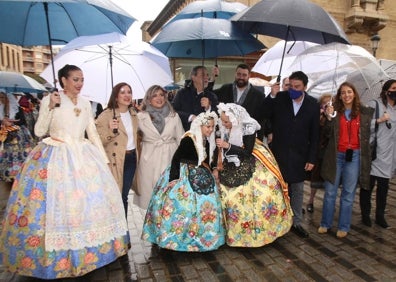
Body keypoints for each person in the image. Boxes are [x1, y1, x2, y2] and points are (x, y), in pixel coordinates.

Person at [0, 64, 129, 279]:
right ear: (63, 80)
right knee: (58, 204)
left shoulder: (87, 103)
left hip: (84, 155)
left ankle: (89, 253)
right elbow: (39, 131)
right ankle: (58, 255)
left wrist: (103, 160)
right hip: (56, 156)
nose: (79, 84)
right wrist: (50, 107)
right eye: (75, 79)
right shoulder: (50, 100)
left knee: (87, 204)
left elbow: (92, 132)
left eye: (81, 80)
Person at [141, 111, 225, 252]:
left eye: (212, 127)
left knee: (205, 205)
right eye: (207, 127)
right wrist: (174, 178)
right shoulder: (189, 138)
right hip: (183, 173)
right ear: (200, 126)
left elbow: (203, 160)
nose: (210, 130)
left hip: (199, 173)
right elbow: (176, 158)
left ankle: (204, 237)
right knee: (180, 205)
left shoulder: (205, 139)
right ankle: (177, 238)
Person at [212, 103, 293, 247]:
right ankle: (231, 233)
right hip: (232, 161)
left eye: (226, 121)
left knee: (259, 194)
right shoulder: (225, 127)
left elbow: (247, 152)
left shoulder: (248, 127)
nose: (223, 124)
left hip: (251, 160)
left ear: (235, 119)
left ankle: (259, 233)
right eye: (223, 121)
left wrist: (227, 146)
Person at [260, 71, 320, 238]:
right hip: (279, 152)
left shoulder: (313, 105)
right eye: (291, 86)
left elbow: (315, 134)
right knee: (279, 188)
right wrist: (271, 96)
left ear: (305, 87)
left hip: (300, 154)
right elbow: (263, 113)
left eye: (297, 87)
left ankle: (297, 222)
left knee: (298, 189)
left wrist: (311, 158)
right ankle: (278, 221)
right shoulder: (280, 98)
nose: (293, 89)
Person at [318, 81, 373, 238]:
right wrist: (328, 117)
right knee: (330, 192)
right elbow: (326, 135)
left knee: (348, 194)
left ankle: (343, 226)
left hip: (354, 156)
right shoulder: (335, 112)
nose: (346, 95)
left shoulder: (364, 112)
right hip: (336, 156)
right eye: (343, 93)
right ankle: (325, 223)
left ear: (354, 93)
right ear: (339, 96)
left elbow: (367, 136)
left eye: (349, 92)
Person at [133, 85, 184, 210]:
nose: (159, 98)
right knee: (150, 198)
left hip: (170, 157)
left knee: (169, 196)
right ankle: (151, 225)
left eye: (161, 94)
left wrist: (183, 162)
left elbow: (181, 139)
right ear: (149, 99)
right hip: (148, 159)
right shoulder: (140, 117)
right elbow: (133, 137)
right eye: (155, 95)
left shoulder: (174, 116)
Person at [96, 82, 138, 218]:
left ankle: (123, 234)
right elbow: (96, 141)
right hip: (113, 161)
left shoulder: (134, 114)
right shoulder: (106, 115)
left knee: (123, 196)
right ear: (115, 97)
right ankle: (117, 233)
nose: (127, 95)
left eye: (129, 92)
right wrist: (110, 130)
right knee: (115, 197)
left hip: (131, 159)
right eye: (122, 92)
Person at [360, 79, 396, 229]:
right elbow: (363, 124)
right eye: (393, 88)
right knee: (367, 186)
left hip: (389, 155)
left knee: (383, 188)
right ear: (386, 90)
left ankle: (380, 216)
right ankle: (365, 214)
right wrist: (380, 120)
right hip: (374, 153)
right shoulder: (375, 104)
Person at [213, 63, 267, 140]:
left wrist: (259, 138)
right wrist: (213, 77)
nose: (241, 77)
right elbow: (210, 94)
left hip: (247, 137)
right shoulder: (225, 89)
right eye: (239, 74)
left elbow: (261, 119)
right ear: (235, 74)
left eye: (244, 75)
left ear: (249, 76)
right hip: (225, 136)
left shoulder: (258, 96)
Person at [0, 91, 36, 183]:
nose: (1, 100)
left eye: (3, 97)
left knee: (18, 155)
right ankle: (6, 174)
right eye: (0, 97)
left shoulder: (16, 108)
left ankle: (19, 173)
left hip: (18, 136)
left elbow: (22, 122)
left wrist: (12, 122)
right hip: (3, 135)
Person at [306, 93, 333, 213]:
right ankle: (310, 201)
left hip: (329, 153)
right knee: (315, 179)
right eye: (324, 103)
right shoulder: (317, 115)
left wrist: (329, 118)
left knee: (329, 179)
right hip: (317, 151)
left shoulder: (333, 116)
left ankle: (328, 204)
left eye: (329, 102)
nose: (326, 105)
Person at [172, 65, 219, 131]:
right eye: (203, 75)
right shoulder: (182, 93)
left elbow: (217, 115)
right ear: (193, 78)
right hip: (184, 134)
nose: (206, 78)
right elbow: (173, 111)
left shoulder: (211, 96)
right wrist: (190, 117)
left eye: (207, 75)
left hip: (204, 137)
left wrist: (208, 107)